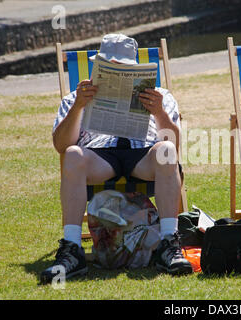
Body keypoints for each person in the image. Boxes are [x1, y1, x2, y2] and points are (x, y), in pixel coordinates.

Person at [41, 34, 193, 284]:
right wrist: (79, 106)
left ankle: (168, 243)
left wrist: (159, 112)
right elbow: (60, 145)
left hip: (144, 153)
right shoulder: (76, 96)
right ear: (98, 66)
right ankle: (72, 249)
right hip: (100, 156)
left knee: (166, 150)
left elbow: (174, 144)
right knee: (71, 154)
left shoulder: (161, 96)